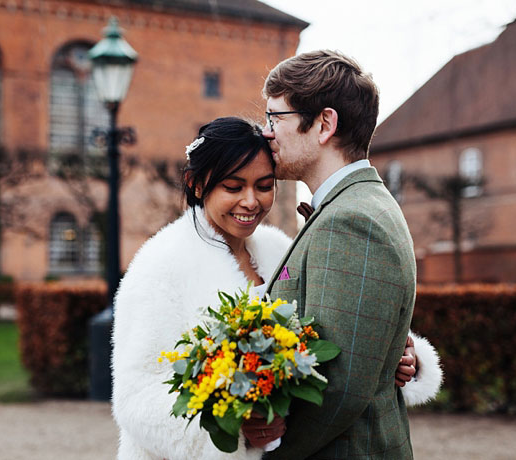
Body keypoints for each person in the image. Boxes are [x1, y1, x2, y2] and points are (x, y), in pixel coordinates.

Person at [111, 117, 442, 460]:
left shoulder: (277, 248)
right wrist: (234, 429)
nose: (251, 201)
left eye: (264, 185)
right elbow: (135, 399)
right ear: (196, 184)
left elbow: (328, 331)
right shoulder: (160, 265)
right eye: (233, 187)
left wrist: (393, 356)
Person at [247, 49, 417, 459]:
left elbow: (339, 386)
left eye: (275, 118)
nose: (267, 133)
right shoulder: (355, 206)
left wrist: (270, 454)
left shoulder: (352, 221)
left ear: (324, 124)